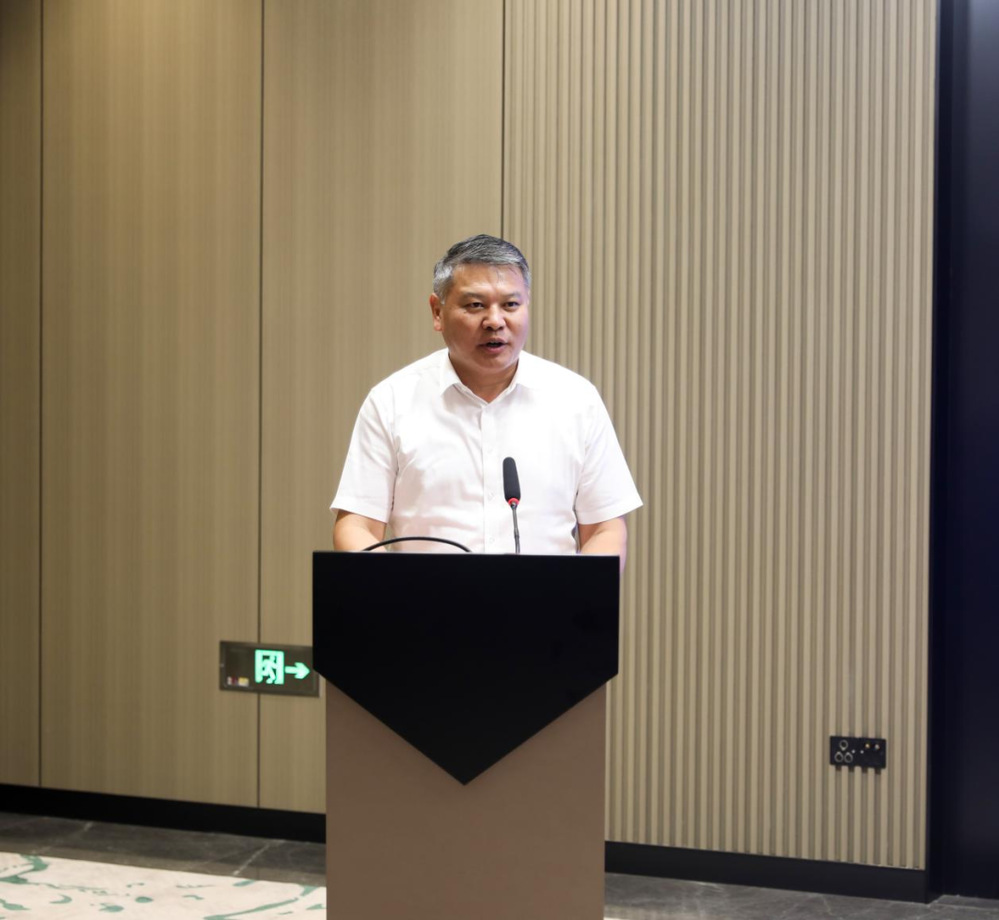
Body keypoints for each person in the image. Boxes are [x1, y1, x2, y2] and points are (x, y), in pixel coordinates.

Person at [331, 234, 641, 565]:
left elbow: (606, 530)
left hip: (545, 600)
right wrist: (395, 592)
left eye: (510, 305)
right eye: (475, 305)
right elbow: (357, 526)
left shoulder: (576, 400)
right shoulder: (392, 401)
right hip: (423, 599)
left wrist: (577, 595)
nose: (495, 321)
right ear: (437, 312)